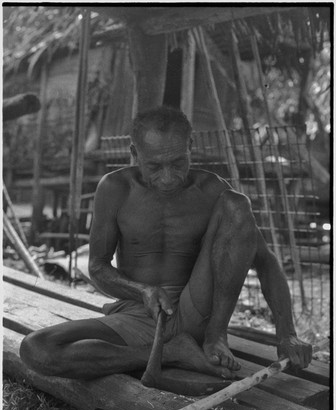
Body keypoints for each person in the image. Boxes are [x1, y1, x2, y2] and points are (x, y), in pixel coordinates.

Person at [20, 106, 312, 381]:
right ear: (134, 153)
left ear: (191, 146)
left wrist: (287, 333)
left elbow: (266, 262)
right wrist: (142, 291)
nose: (168, 177)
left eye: (177, 163)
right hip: (139, 314)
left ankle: (216, 339)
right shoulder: (115, 189)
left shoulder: (213, 191)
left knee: (238, 203)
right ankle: (172, 353)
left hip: (198, 312)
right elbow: (97, 266)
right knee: (38, 348)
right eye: (155, 166)